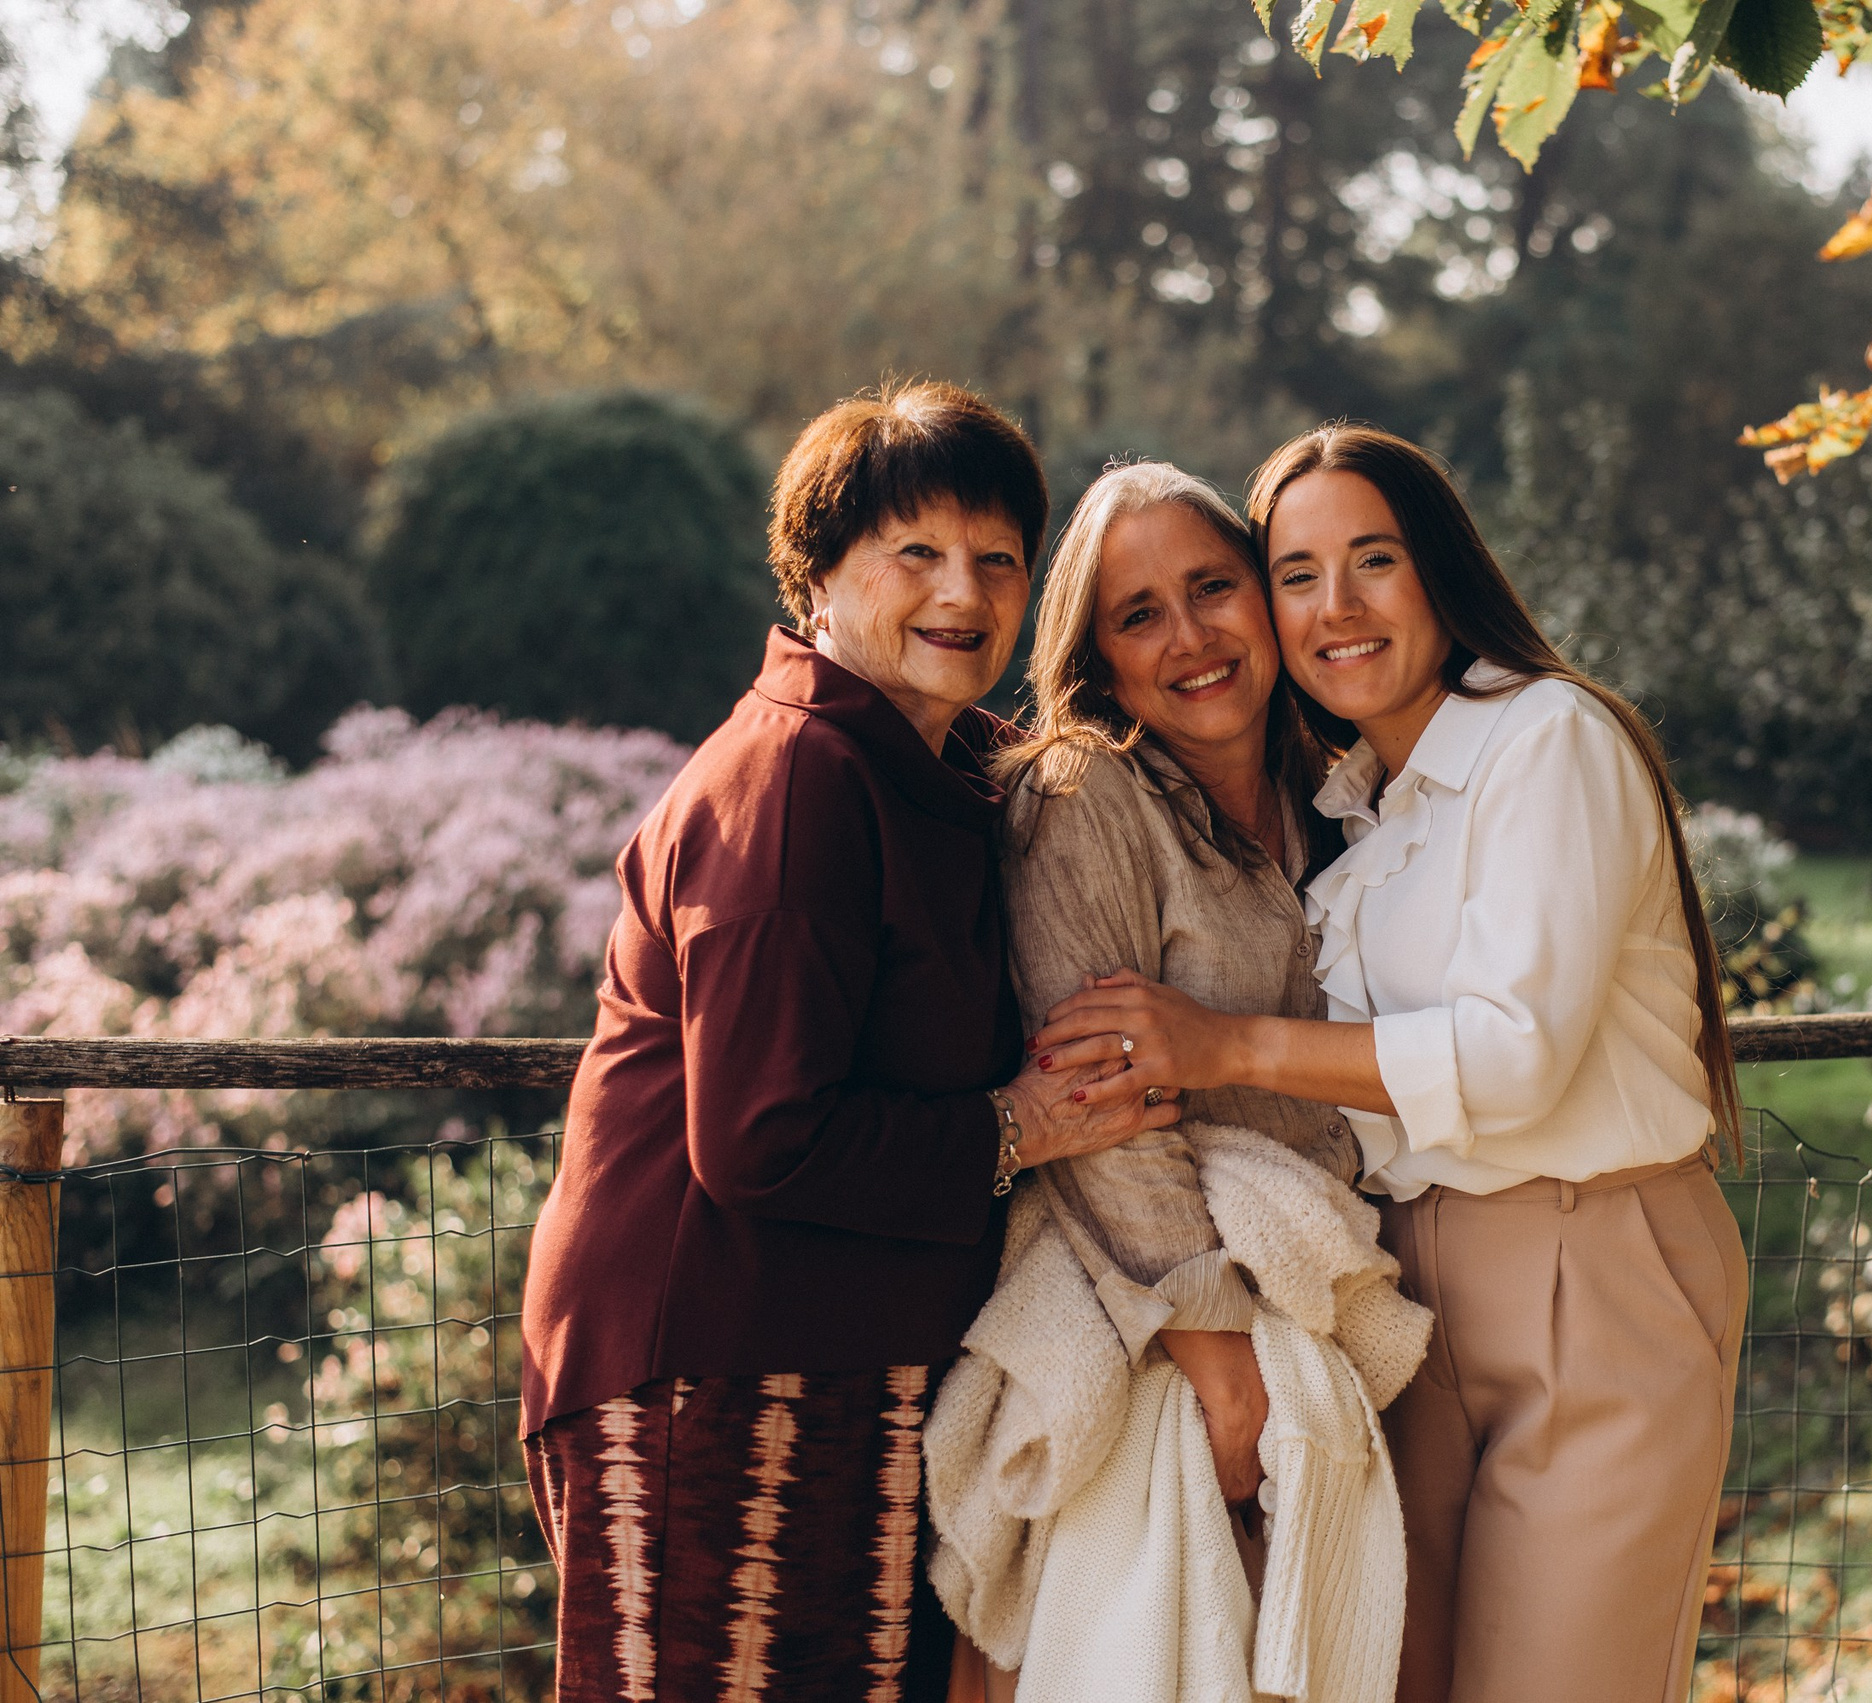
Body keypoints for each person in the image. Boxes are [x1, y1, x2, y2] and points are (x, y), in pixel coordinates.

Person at [1033, 424, 1751, 1703]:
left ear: (1443, 572)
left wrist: (1223, 1046)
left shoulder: (1550, 738)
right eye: (1299, 572)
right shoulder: (1356, 802)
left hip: (1590, 1265)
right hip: (1403, 1297)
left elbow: (1516, 1057)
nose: (1336, 606)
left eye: (1374, 559)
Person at [517, 382, 1176, 1703]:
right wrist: (1021, 1124)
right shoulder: (799, 779)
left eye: (998, 560)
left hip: (838, 1354)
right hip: (710, 1359)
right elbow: (762, 1136)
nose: (965, 591)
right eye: (916, 553)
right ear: (817, 573)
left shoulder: (939, 765)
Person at [943, 459, 1397, 1700]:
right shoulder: (1083, 792)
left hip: (1313, 1287)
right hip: (1161, 1316)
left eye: (1213, 588)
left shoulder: (1331, 787)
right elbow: (1098, 1103)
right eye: (1141, 614)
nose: (1191, 636)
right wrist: (1216, 1355)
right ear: (1096, 655)